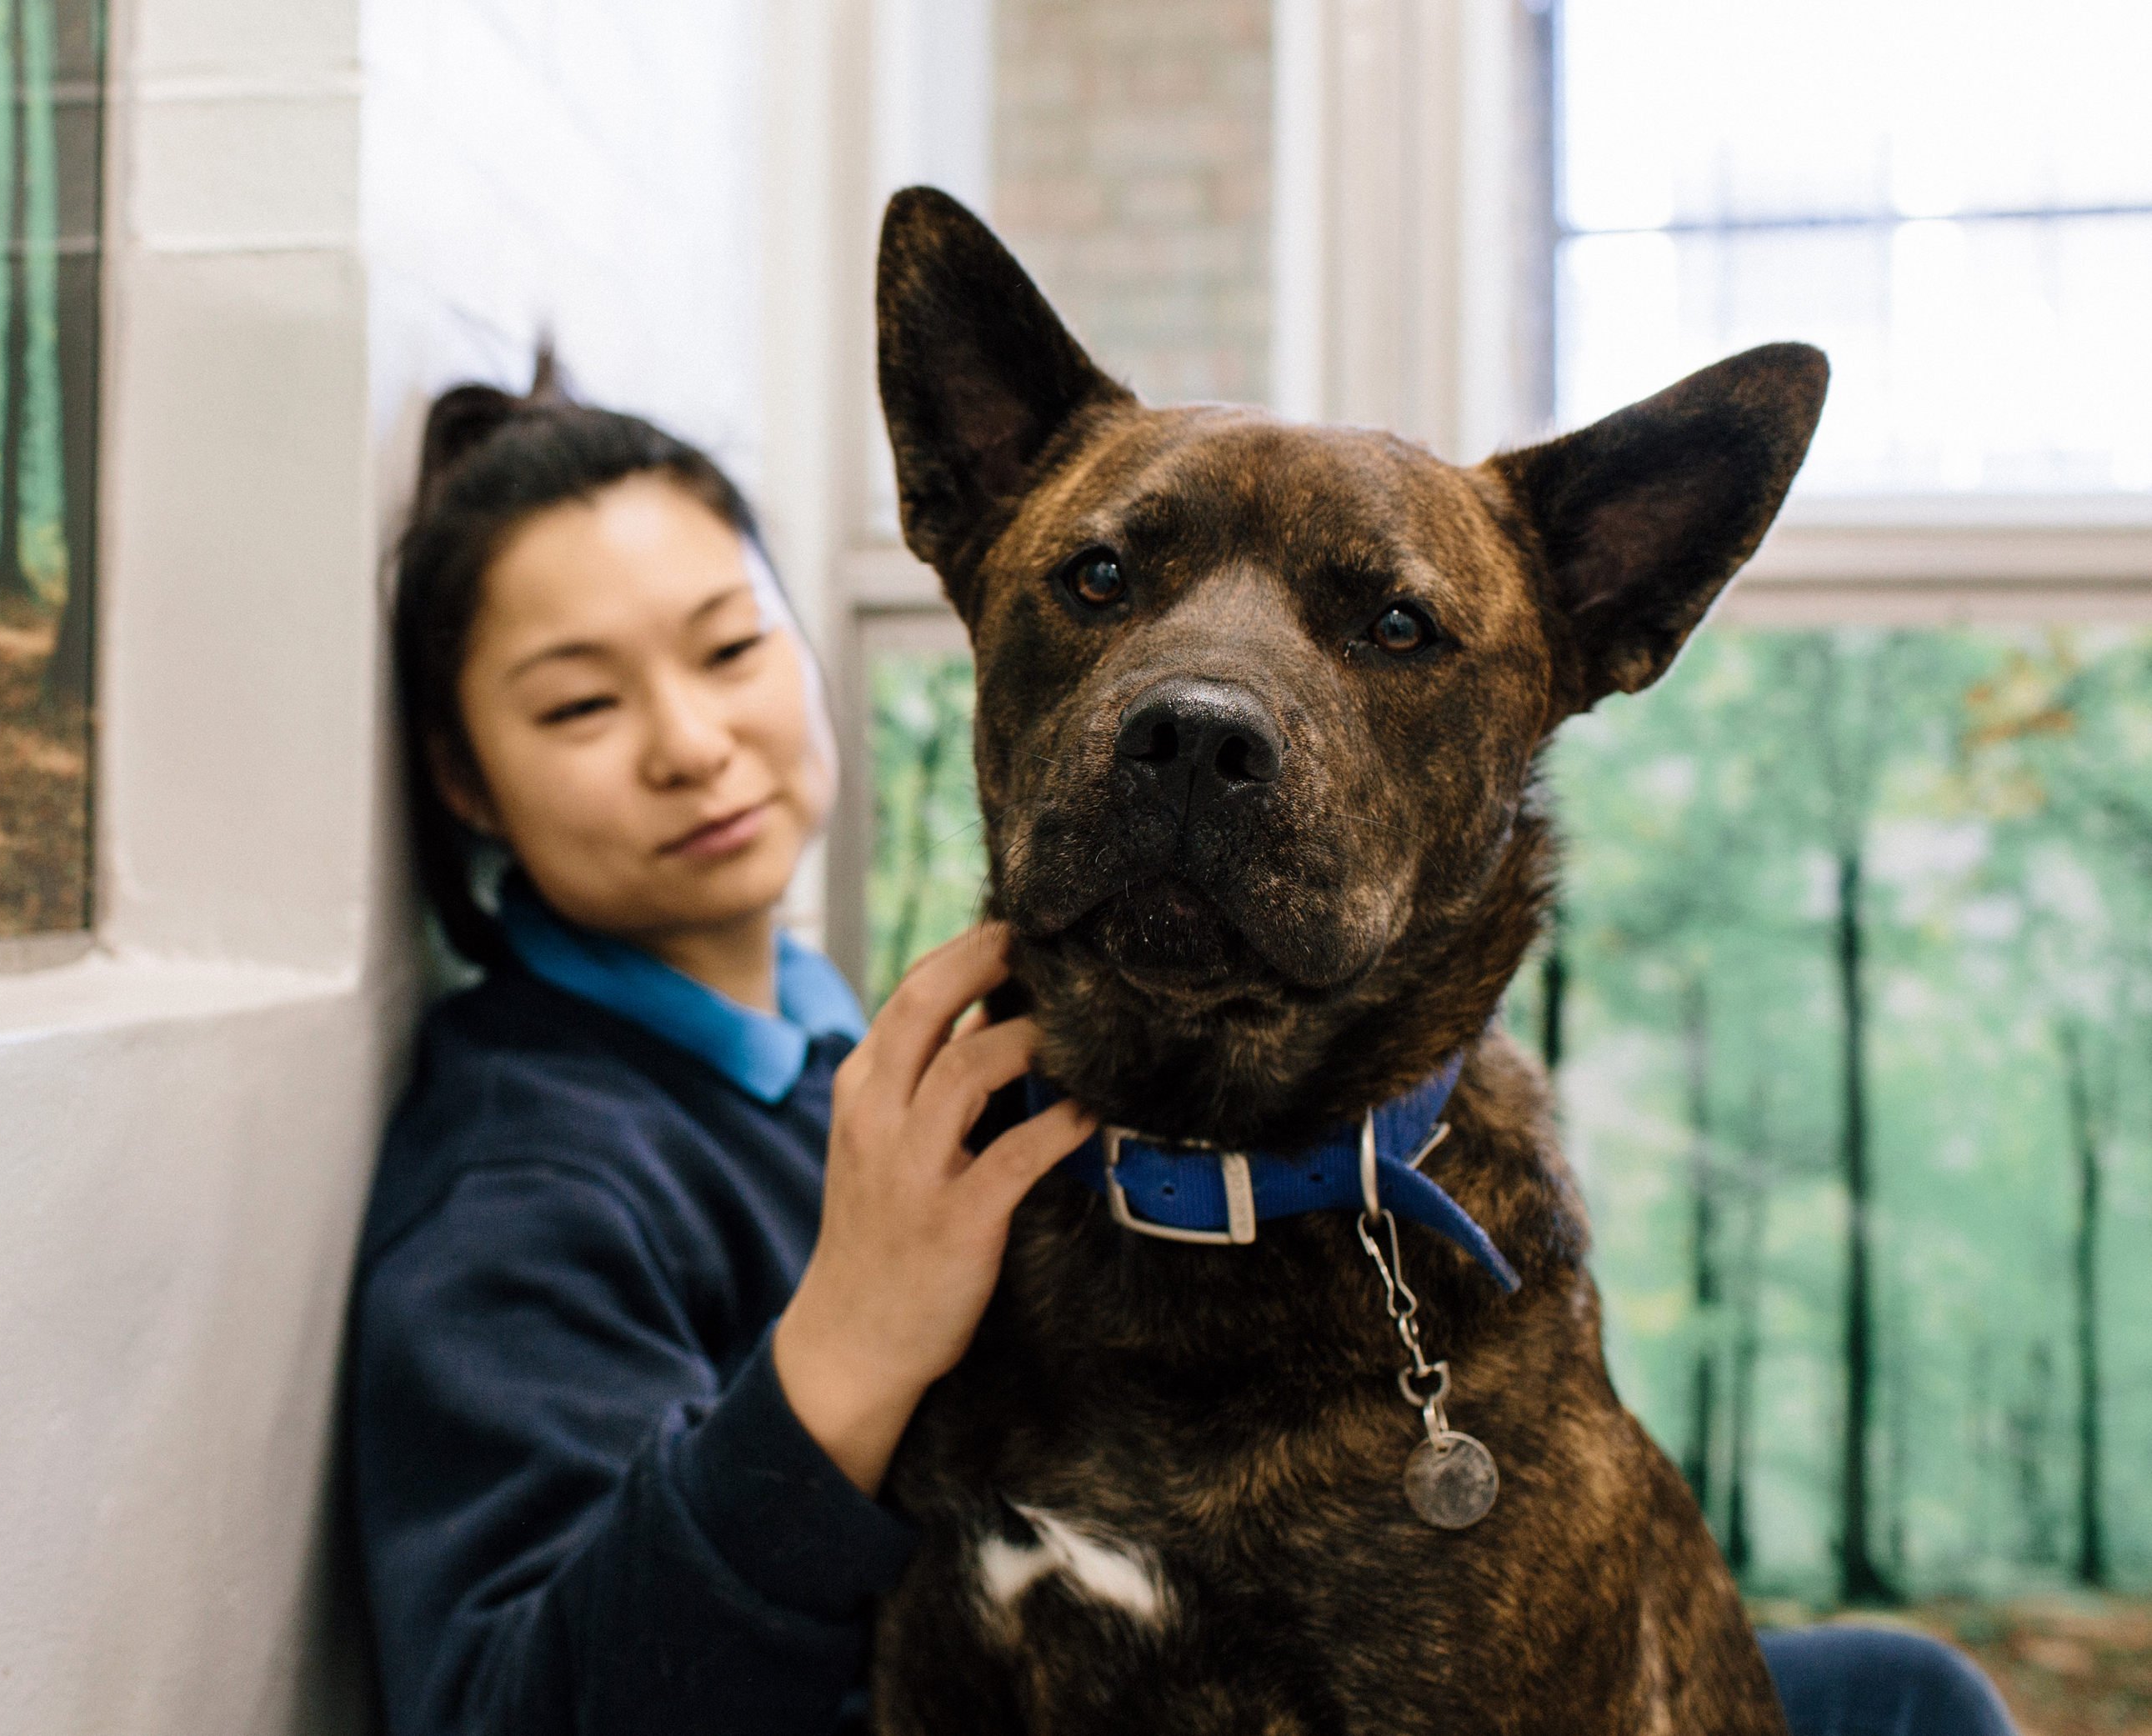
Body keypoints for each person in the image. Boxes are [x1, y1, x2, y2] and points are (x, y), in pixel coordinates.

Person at [348, 361, 2017, 1736]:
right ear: (465, 778)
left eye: (728, 647)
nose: (1202, 705)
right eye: (1096, 583)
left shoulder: (861, 1044)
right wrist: (842, 1346)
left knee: (1912, 1691)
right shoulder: (534, 1172)